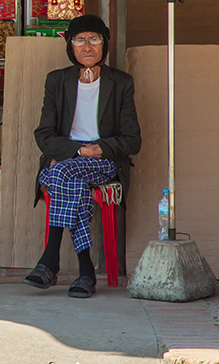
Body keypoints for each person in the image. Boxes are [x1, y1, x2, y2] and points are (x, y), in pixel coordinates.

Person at [23, 15, 141, 298]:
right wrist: (76, 151)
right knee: (71, 179)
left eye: (94, 39)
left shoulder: (121, 83)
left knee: (59, 173)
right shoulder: (57, 81)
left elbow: (132, 140)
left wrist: (97, 149)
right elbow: (44, 134)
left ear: (104, 44)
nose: (87, 46)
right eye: (80, 40)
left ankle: (50, 259)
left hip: (103, 161)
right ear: (70, 46)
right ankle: (86, 271)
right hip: (70, 158)